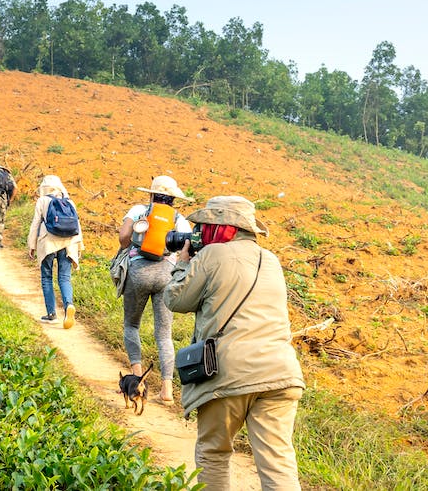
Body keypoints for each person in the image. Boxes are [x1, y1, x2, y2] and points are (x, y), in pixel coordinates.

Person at [166, 195, 305, 491]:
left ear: (221, 227)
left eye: (204, 227)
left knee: (213, 453)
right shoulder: (271, 260)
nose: (200, 234)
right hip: (281, 373)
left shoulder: (213, 255)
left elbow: (176, 300)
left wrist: (182, 264)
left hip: (228, 372)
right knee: (278, 464)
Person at [118, 175, 193, 403]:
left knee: (131, 325)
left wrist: (133, 244)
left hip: (138, 272)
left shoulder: (139, 210)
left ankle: (136, 380)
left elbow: (123, 237)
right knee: (164, 333)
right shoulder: (179, 219)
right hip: (166, 275)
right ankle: (167, 390)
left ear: (151, 195)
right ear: (173, 199)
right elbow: (188, 249)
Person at [27, 175, 84, 327]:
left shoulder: (42, 201)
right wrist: (79, 246)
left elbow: (35, 224)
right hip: (68, 244)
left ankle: (51, 314)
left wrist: (31, 245)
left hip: (48, 243)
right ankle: (68, 305)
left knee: (47, 277)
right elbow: (77, 226)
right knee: (64, 278)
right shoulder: (69, 201)